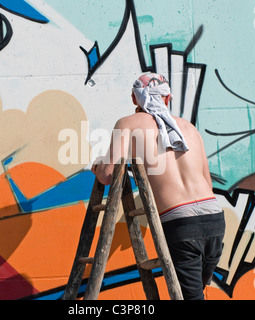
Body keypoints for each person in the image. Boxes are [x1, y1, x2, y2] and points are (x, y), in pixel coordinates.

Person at [91, 73, 225, 300]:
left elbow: (106, 175)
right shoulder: (189, 129)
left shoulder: (128, 124)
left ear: (135, 99)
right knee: (196, 294)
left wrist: (97, 166)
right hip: (214, 219)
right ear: (168, 97)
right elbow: (208, 183)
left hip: (180, 223)